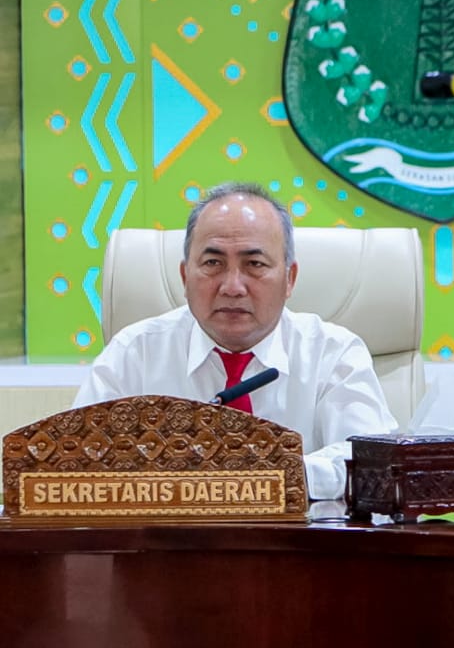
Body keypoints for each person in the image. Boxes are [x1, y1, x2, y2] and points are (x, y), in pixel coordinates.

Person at [75, 182, 400, 499]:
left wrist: (260, 476)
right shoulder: (135, 353)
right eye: (213, 263)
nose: (232, 287)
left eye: (254, 264)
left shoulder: (332, 353)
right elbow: (80, 462)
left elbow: (373, 462)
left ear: (289, 279)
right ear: (185, 277)